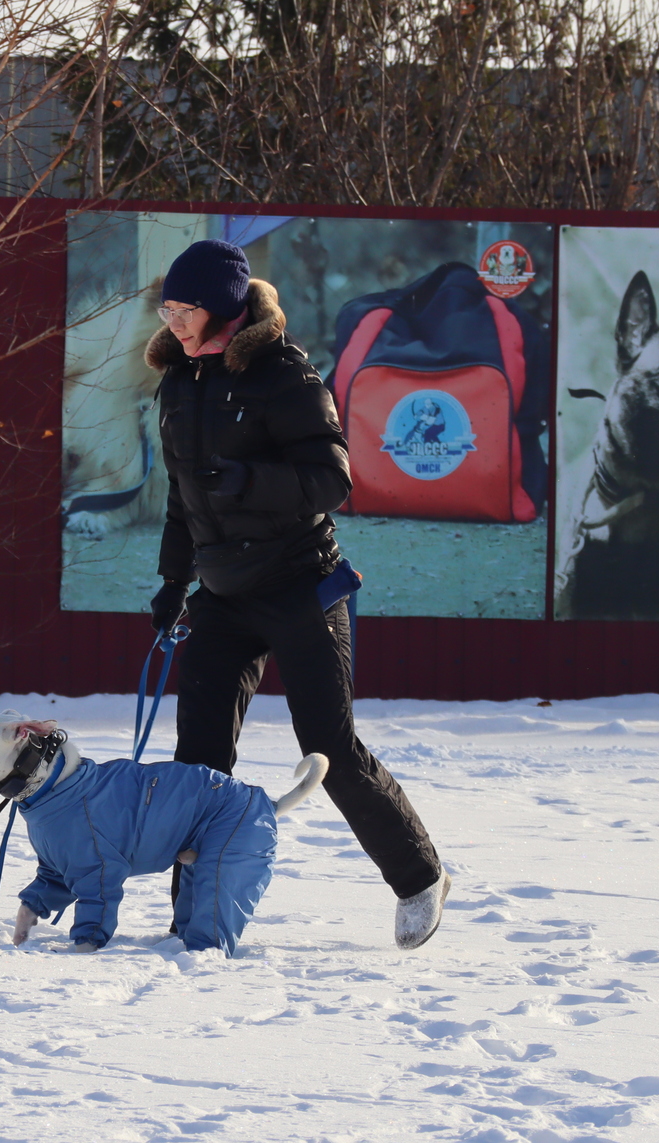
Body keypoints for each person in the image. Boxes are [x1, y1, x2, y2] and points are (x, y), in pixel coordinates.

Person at [143, 239, 449, 949]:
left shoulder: (282, 372)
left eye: (184, 309)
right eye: (167, 307)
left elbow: (333, 479)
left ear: (219, 308)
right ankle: (196, 916)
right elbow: (182, 501)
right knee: (200, 766)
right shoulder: (178, 381)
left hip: (300, 586)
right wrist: (171, 582)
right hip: (222, 595)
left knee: (328, 747)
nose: (174, 322)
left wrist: (248, 481)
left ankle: (420, 876)